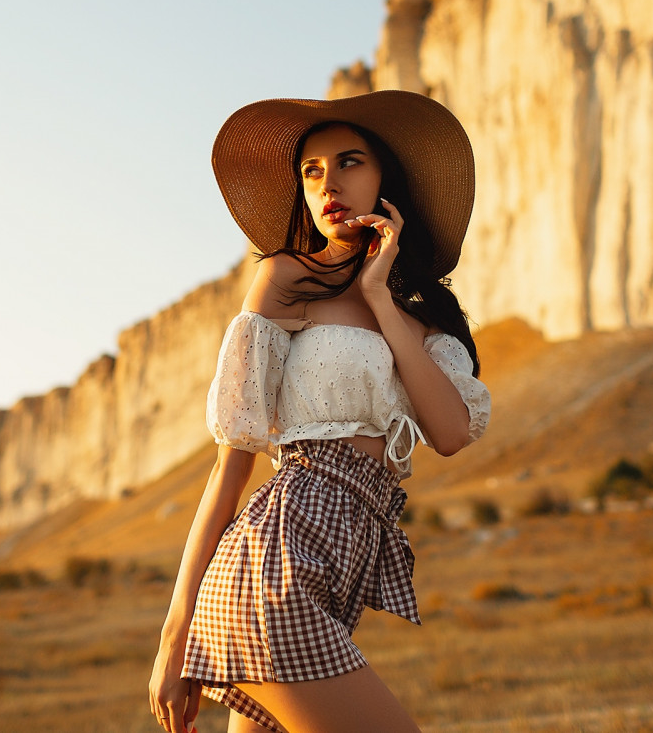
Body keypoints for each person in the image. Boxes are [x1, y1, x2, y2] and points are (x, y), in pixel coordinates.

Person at [148, 90, 492, 733]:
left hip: (334, 580)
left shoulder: (426, 323)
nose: (328, 182)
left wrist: (380, 300)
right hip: (270, 569)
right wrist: (175, 638)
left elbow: (449, 433)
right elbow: (230, 470)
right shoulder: (287, 279)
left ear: (389, 182)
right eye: (311, 171)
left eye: (350, 162)